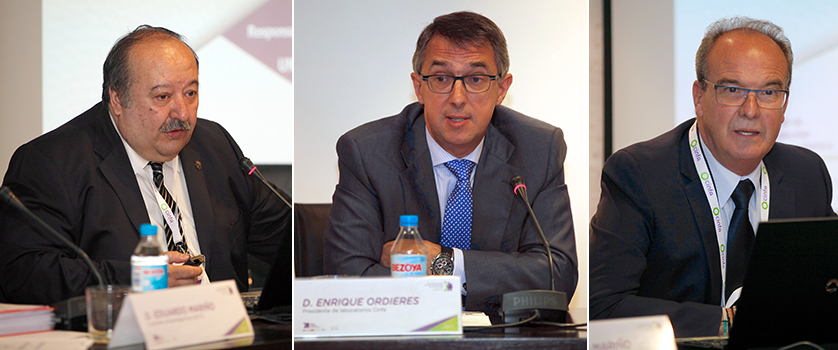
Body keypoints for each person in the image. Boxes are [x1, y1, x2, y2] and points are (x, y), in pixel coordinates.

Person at [0, 25, 290, 305]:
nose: (182, 113)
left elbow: (288, 235)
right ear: (117, 98)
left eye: (190, 93)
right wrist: (140, 280)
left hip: (228, 334)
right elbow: (23, 273)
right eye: (163, 97)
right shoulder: (52, 162)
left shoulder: (214, 144)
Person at [589, 17, 836, 337]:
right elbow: (604, 306)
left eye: (769, 92)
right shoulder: (639, 174)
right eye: (732, 90)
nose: (751, 110)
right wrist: (730, 321)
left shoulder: (806, 173)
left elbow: (834, 286)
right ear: (699, 97)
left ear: (784, 104)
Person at [323, 11, 578, 311]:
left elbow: (556, 273)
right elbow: (347, 277)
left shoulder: (539, 149)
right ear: (419, 87)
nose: (457, 97)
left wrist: (444, 261)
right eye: (442, 78)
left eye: (476, 79)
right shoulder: (367, 152)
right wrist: (472, 286)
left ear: (502, 89)